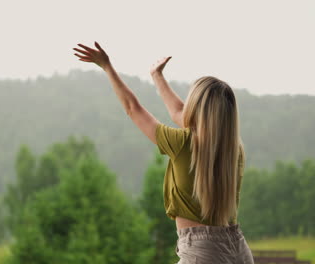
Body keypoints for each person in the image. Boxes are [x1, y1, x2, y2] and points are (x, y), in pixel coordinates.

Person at [73, 41, 254, 264]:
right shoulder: (235, 150)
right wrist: (156, 76)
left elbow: (133, 108)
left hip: (202, 253)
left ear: (198, 109)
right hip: (238, 250)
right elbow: (179, 113)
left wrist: (107, 66)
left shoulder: (182, 144)